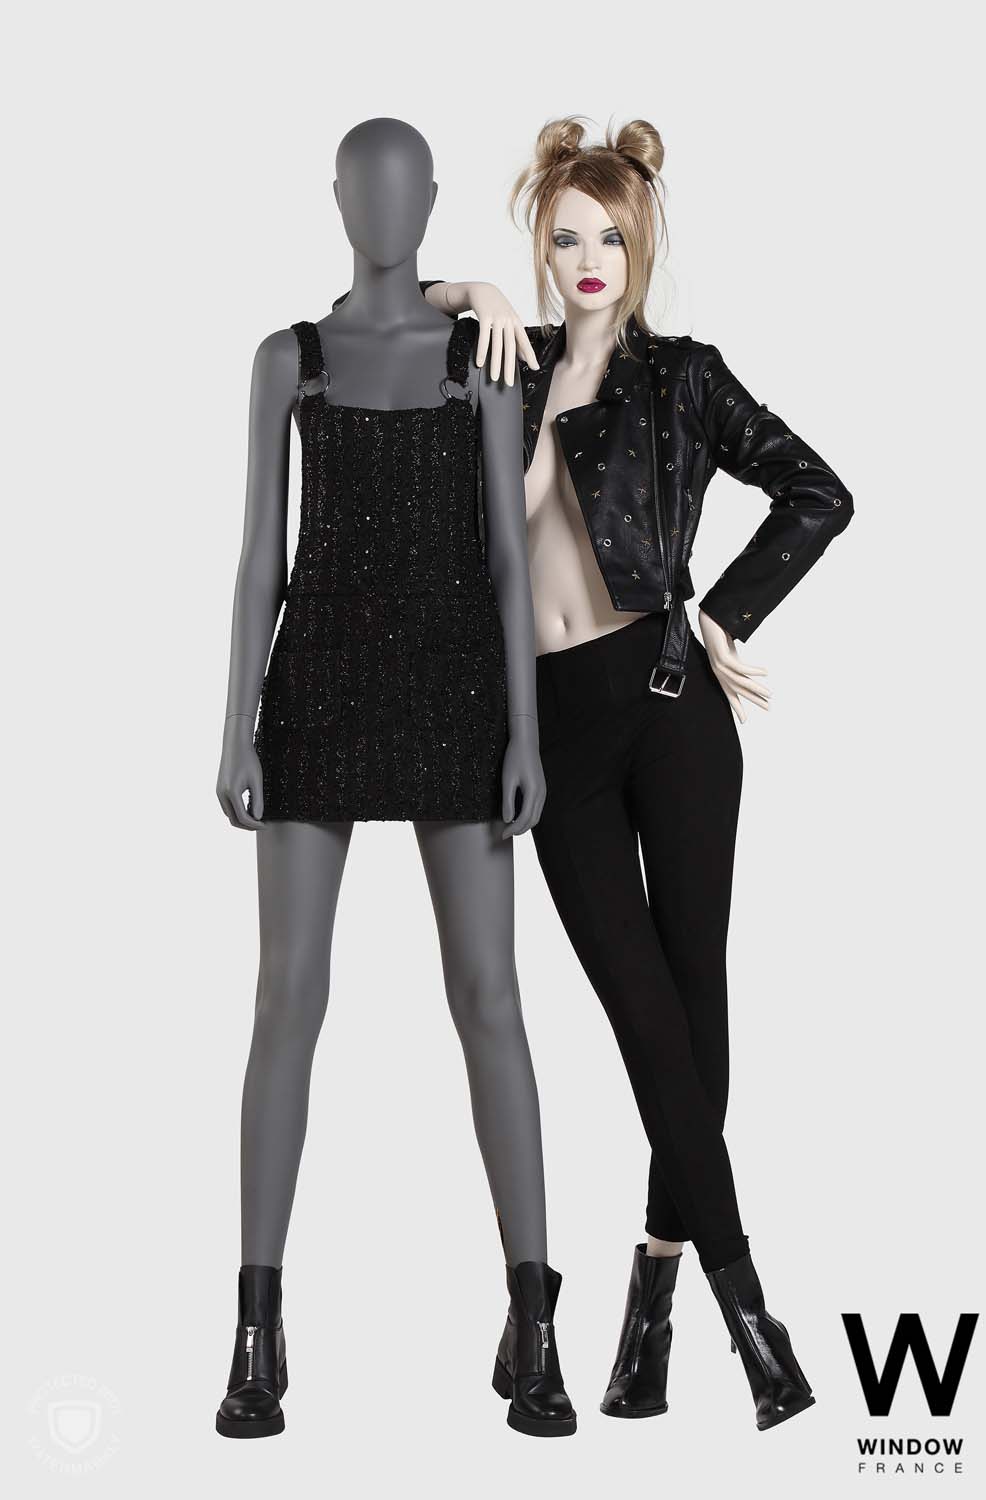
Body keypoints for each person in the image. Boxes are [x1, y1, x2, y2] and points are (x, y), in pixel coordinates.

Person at [416, 114, 853, 1430]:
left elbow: (818, 492)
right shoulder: (500, 365)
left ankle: (721, 1311)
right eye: (564, 238)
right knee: (643, 1017)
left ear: (642, 241)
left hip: (669, 706)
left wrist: (726, 614)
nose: (589, 257)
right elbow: (384, 309)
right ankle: (670, 1307)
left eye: (610, 234)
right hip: (550, 731)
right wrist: (469, 289)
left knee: (688, 1011)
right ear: (541, 251)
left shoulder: (684, 378)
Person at [214, 117, 575, 1440]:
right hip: (315, 687)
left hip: (457, 690)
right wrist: (236, 724)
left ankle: (534, 1320)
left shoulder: (478, 360)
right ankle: (257, 1328)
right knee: (287, 998)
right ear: (336, 199)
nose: (380, 205)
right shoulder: (289, 360)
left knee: (490, 997)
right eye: (360, 187)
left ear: (428, 200)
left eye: (403, 186)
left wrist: (524, 730)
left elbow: (508, 561)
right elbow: (260, 558)